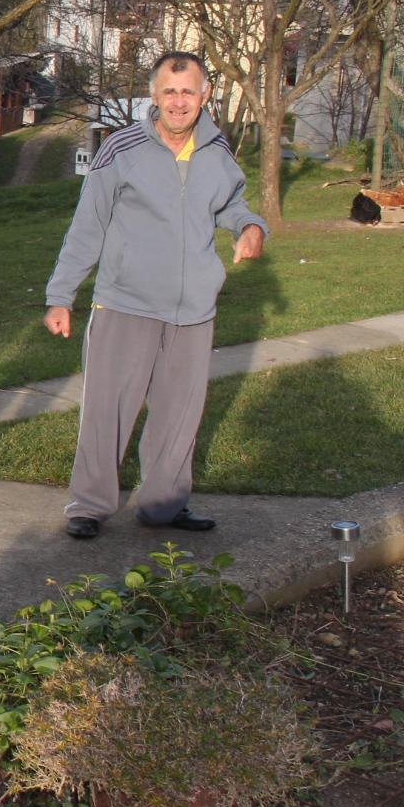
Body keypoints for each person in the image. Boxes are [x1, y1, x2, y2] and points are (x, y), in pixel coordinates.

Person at [44, 51, 267, 539]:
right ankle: (90, 505)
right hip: (125, 302)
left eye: (188, 92)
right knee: (109, 408)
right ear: (155, 96)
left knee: (179, 413)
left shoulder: (217, 150)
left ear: (205, 95)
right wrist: (60, 295)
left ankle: (163, 506)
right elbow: (87, 228)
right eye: (170, 91)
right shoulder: (121, 149)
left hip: (193, 311)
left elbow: (231, 203)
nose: (179, 102)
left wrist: (250, 226)